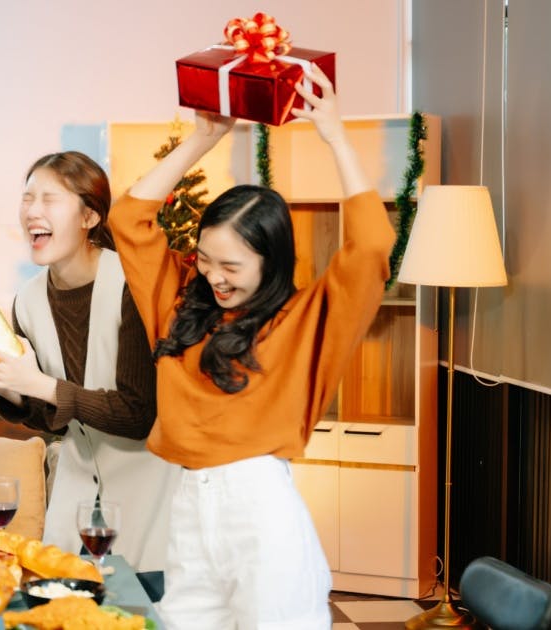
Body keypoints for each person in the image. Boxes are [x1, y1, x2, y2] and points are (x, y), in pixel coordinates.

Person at [108, 67, 394, 628]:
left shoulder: (306, 320)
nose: (214, 276)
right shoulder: (179, 307)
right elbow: (128, 218)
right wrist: (203, 137)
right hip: (189, 503)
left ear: (271, 259)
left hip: (259, 506)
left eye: (232, 266)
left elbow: (371, 246)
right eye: (207, 259)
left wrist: (335, 135)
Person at [0, 151, 180, 596]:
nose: (31, 211)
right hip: (75, 508)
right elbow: (50, 417)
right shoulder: (28, 299)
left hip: (150, 506)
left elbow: (139, 414)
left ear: (90, 215)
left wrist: (34, 383)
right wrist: (6, 385)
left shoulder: (133, 284)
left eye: (49, 198)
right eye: (27, 198)